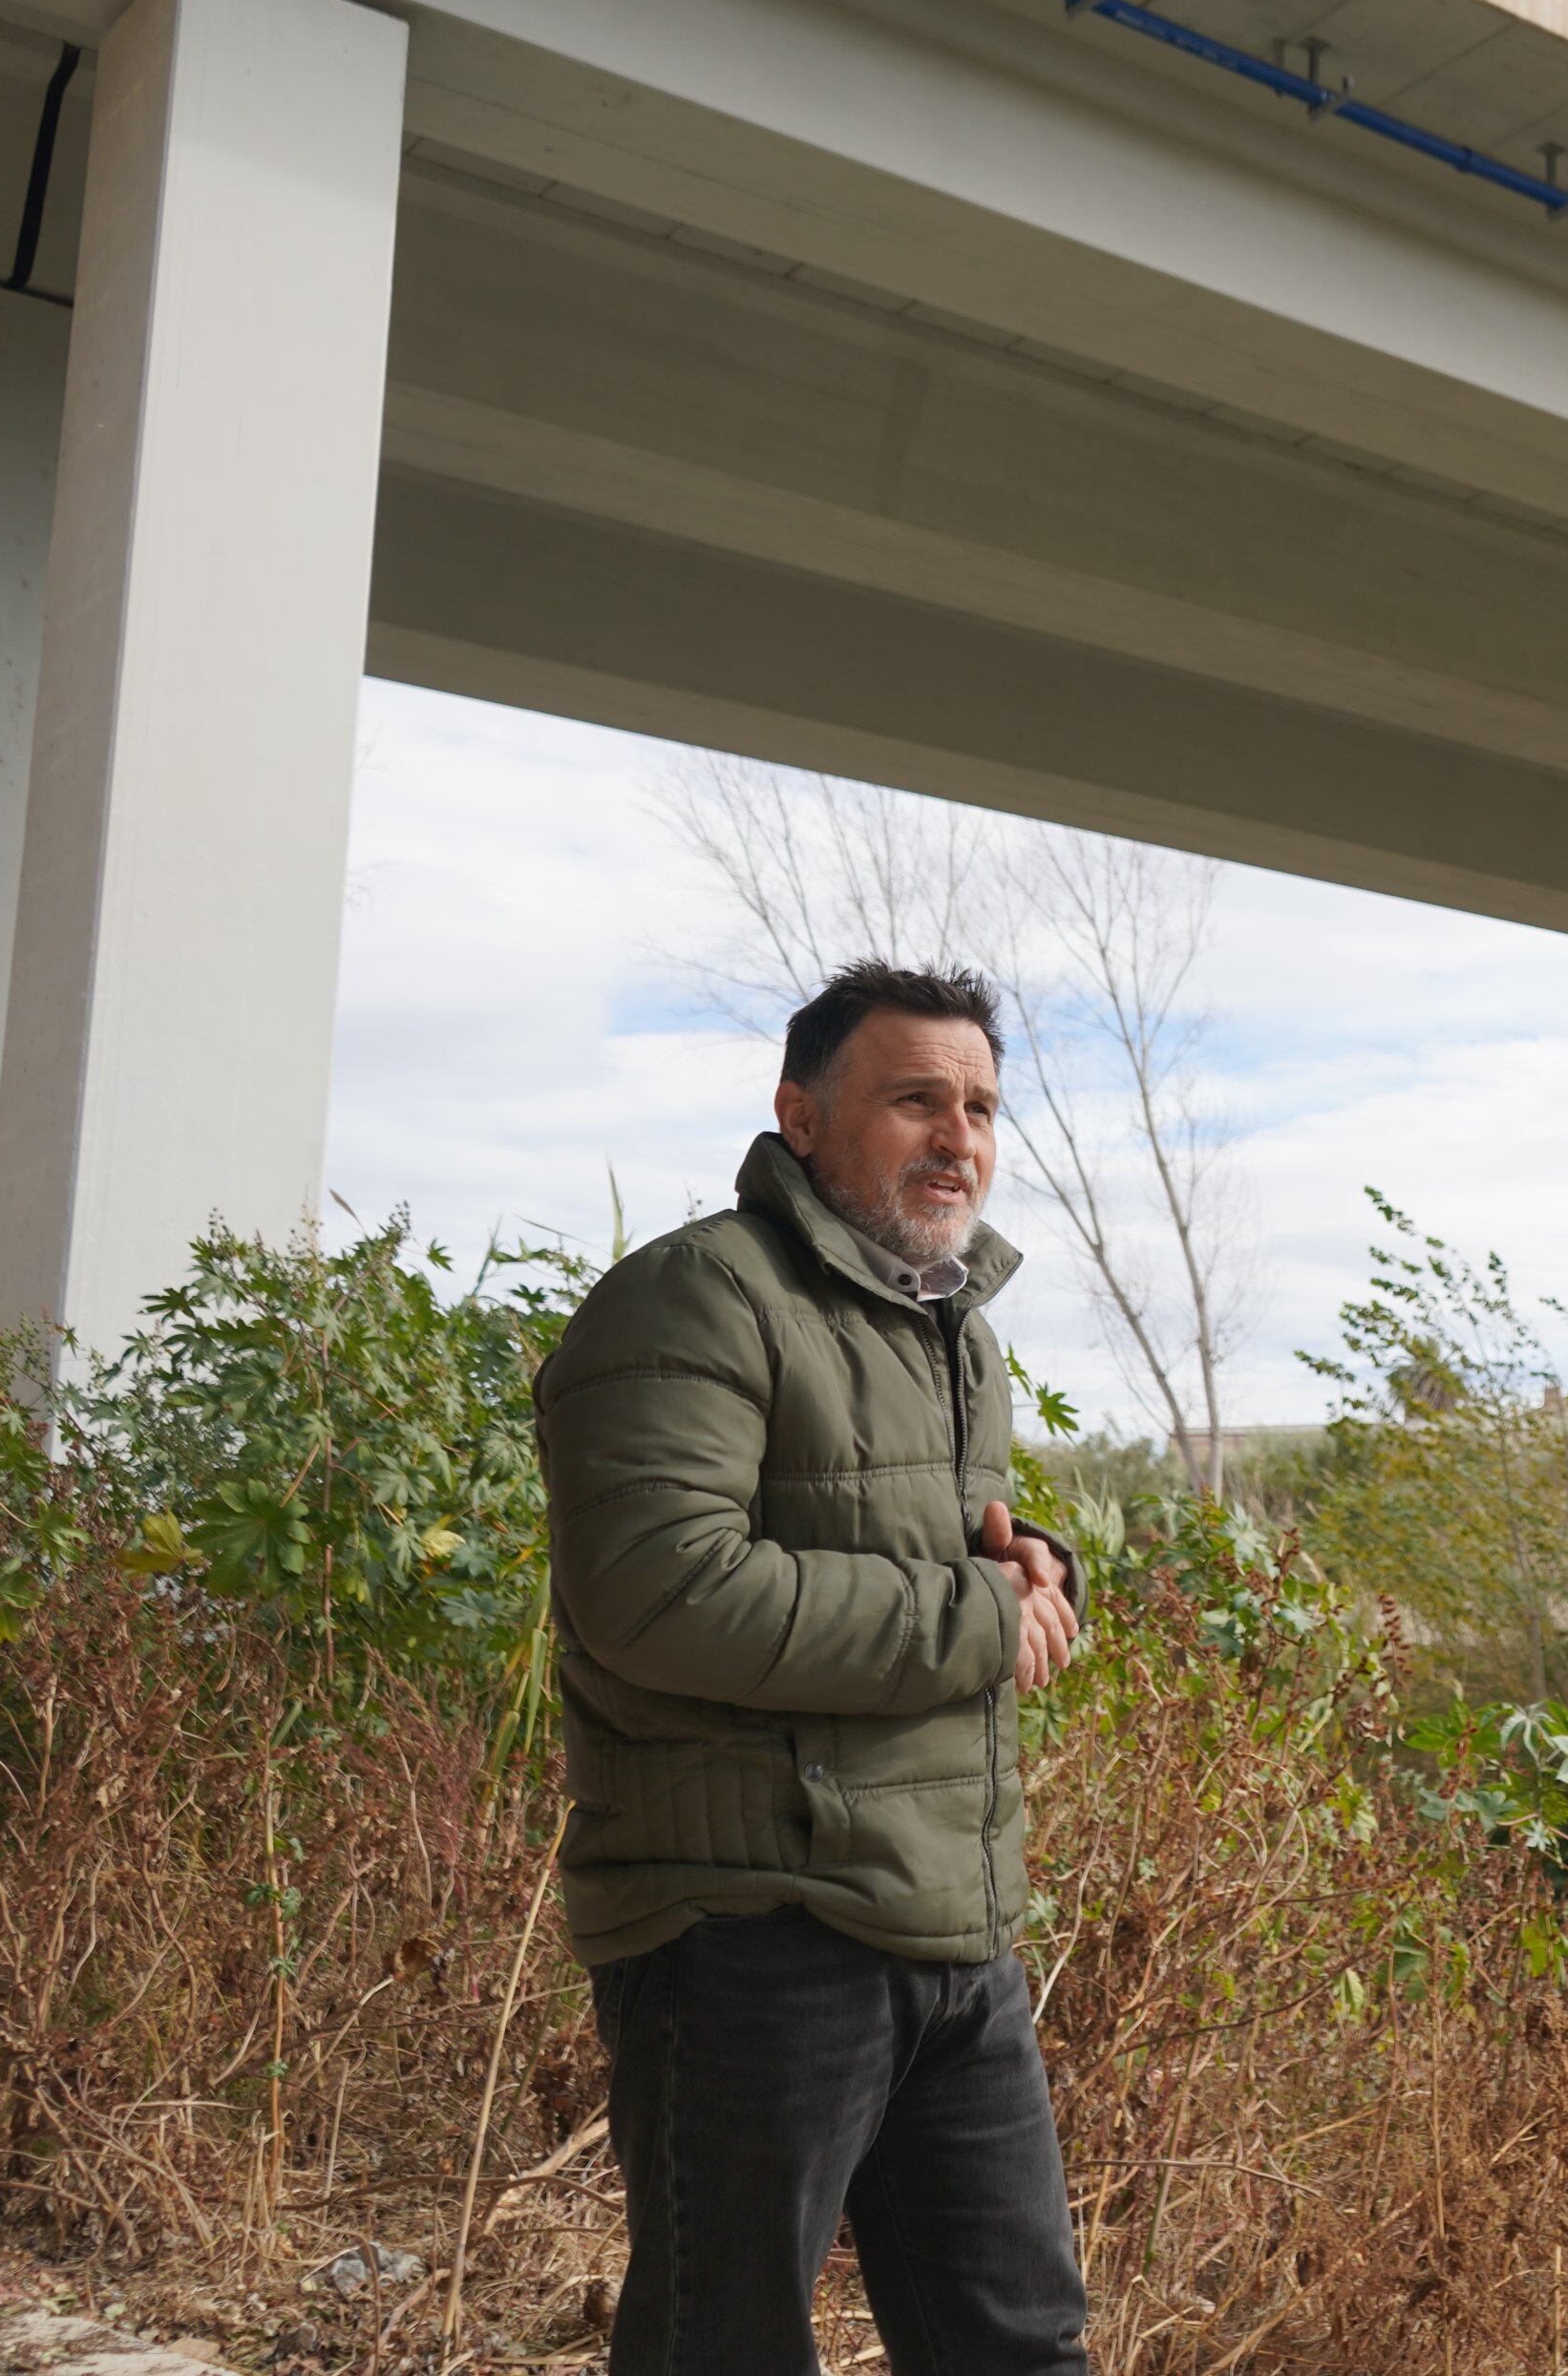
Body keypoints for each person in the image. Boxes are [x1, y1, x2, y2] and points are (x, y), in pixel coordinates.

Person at [537, 961, 1092, 2375]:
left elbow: (894, 1536)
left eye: (977, 1102)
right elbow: (661, 1592)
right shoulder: (691, 1299)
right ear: (799, 1110)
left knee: (1020, 2347)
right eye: (915, 1098)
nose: (957, 1134)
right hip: (753, 1934)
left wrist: (1028, 1563)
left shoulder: (953, 1326)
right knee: (722, 2346)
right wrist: (978, 1615)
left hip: (952, 1921)